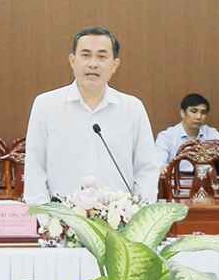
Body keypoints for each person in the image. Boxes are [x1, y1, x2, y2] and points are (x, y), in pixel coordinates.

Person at [22, 27, 162, 204]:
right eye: (86, 55)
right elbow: (35, 167)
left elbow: (146, 169)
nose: (93, 64)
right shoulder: (46, 105)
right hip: (61, 221)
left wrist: (140, 216)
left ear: (114, 65)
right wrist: (45, 218)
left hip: (118, 224)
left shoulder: (132, 108)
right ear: (72, 61)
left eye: (102, 57)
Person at [154, 93, 219, 170]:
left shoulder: (212, 134)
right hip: (176, 180)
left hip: (205, 179)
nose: (198, 117)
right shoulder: (166, 136)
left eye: (203, 112)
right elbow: (159, 164)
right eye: (194, 111)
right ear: (182, 113)